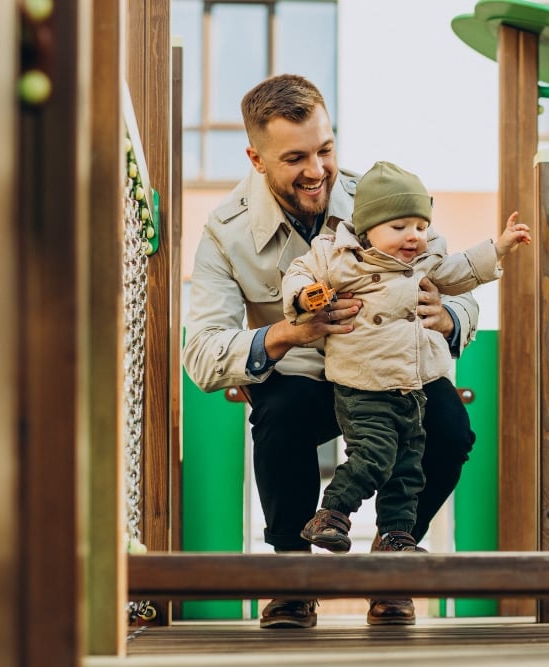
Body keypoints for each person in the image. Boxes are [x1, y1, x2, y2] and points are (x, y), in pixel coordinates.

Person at [181, 74, 480, 628]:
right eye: (295, 158)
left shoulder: (382, 199)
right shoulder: (226, 232)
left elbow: (460, 283)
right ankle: (293, 580)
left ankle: (394, 559)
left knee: (449, 427)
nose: (317, 170)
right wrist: (288, 334)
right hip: (305, 381)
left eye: (325, 149)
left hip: (389, 369)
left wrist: (451, 316)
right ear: (256, 158)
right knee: (281, 414)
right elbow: (200, 351)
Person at [283, 161, 530, 559]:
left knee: (408, 470)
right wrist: (304, 295)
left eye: (419, 225)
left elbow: (462, 270)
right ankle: (331, 513)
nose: (413, 236)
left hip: (412, 386)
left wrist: (497, 248)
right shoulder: (339, 256)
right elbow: (300, 272)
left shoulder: (426, 259)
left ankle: (397, 537)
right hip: (363, 384)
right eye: (399, 228)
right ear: (366, 229)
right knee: (375, 454)